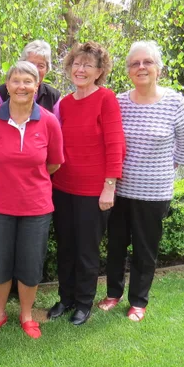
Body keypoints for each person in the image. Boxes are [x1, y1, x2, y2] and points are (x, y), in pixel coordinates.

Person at [97, 41, 184, 322]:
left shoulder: (174, 102)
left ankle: (138, 301)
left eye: (147, 62)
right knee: (116, 246)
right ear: (129, 70)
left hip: (154, 193)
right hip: (119, 189)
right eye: (135, 63)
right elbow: (108, 140)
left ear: (158, 69)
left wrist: (165, 167)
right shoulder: (118, 102)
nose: (141, 67)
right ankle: (113, 293)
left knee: (144, 249)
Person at [0, 61, 64, 339]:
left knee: (30, 263)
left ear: (37, 86)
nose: (21, 86)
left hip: (36, 207)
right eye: (16, 81)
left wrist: (29, 179)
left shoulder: (49, 121)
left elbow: (54, 163)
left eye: (28, 81)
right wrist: (3, 179)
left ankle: (26, 315)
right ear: (8, 85)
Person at [47, 41, 125, 326]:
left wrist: (109, 186)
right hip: (63, 187)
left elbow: (115, 144)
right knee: (66, 247)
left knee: (86, 251)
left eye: (88, 65)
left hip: (93, 191)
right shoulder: (65, 103)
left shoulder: (106, 99)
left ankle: (83, 303)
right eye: (77, 64)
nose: (80, 69)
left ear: (99, 71)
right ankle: (66, 298)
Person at [0, 40, 61, 111]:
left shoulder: (53, 96)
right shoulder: (2, 93)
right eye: (30, 64)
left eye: (41, 66)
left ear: (47, 69)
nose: (35, 69)